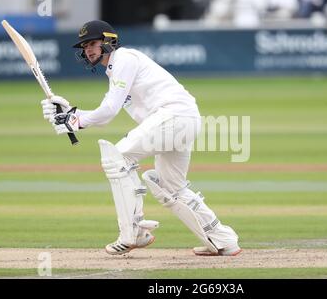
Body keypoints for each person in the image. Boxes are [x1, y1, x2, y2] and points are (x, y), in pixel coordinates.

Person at [41, 20, 241, 256]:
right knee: (171, 186)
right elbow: (106, 110)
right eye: (84, 46)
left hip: (174, 116)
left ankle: (132, 233)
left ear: (108, 41)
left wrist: (75, 120)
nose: (88, 50)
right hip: (181, 119)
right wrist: (71, 114)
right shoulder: (116, 70)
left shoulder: (124, 59)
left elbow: (109, 110)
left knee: (118, 158)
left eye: (92, 43)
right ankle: (224, 239)